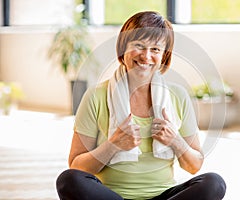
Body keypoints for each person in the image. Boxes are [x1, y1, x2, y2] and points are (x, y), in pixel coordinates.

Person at [56, 11, 226, 200]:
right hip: (112, 196)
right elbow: (77, 166)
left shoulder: (178, 96)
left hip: (163, 195)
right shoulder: (96, 96)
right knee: (68, 180)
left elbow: (194, 165)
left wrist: (175, 140)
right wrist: (113, 145)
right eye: (139, 46)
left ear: (164, 56)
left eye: (155, 49)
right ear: (123, 49)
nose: (146, 56)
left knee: (214, 183)